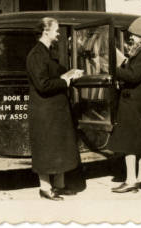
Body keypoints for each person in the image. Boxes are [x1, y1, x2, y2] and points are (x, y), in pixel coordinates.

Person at [26, 17, 82, 201]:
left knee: (58, 148)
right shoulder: (36, 55)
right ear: (45, 31)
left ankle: (59, 186)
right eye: (56, 30)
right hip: (45, 112)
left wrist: (68, 74)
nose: (58, 33)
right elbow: (43, 85)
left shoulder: (46, 53)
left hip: (53, 111)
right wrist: (65, 81)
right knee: (47, 150)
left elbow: (51, 76)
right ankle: (45, 189)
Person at [108, 16, 141, 193]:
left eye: (133, 35)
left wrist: (112, 69)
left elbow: (133, 76)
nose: (131, 38)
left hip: (133, 102)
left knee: (129, 141)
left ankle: (130, 181)